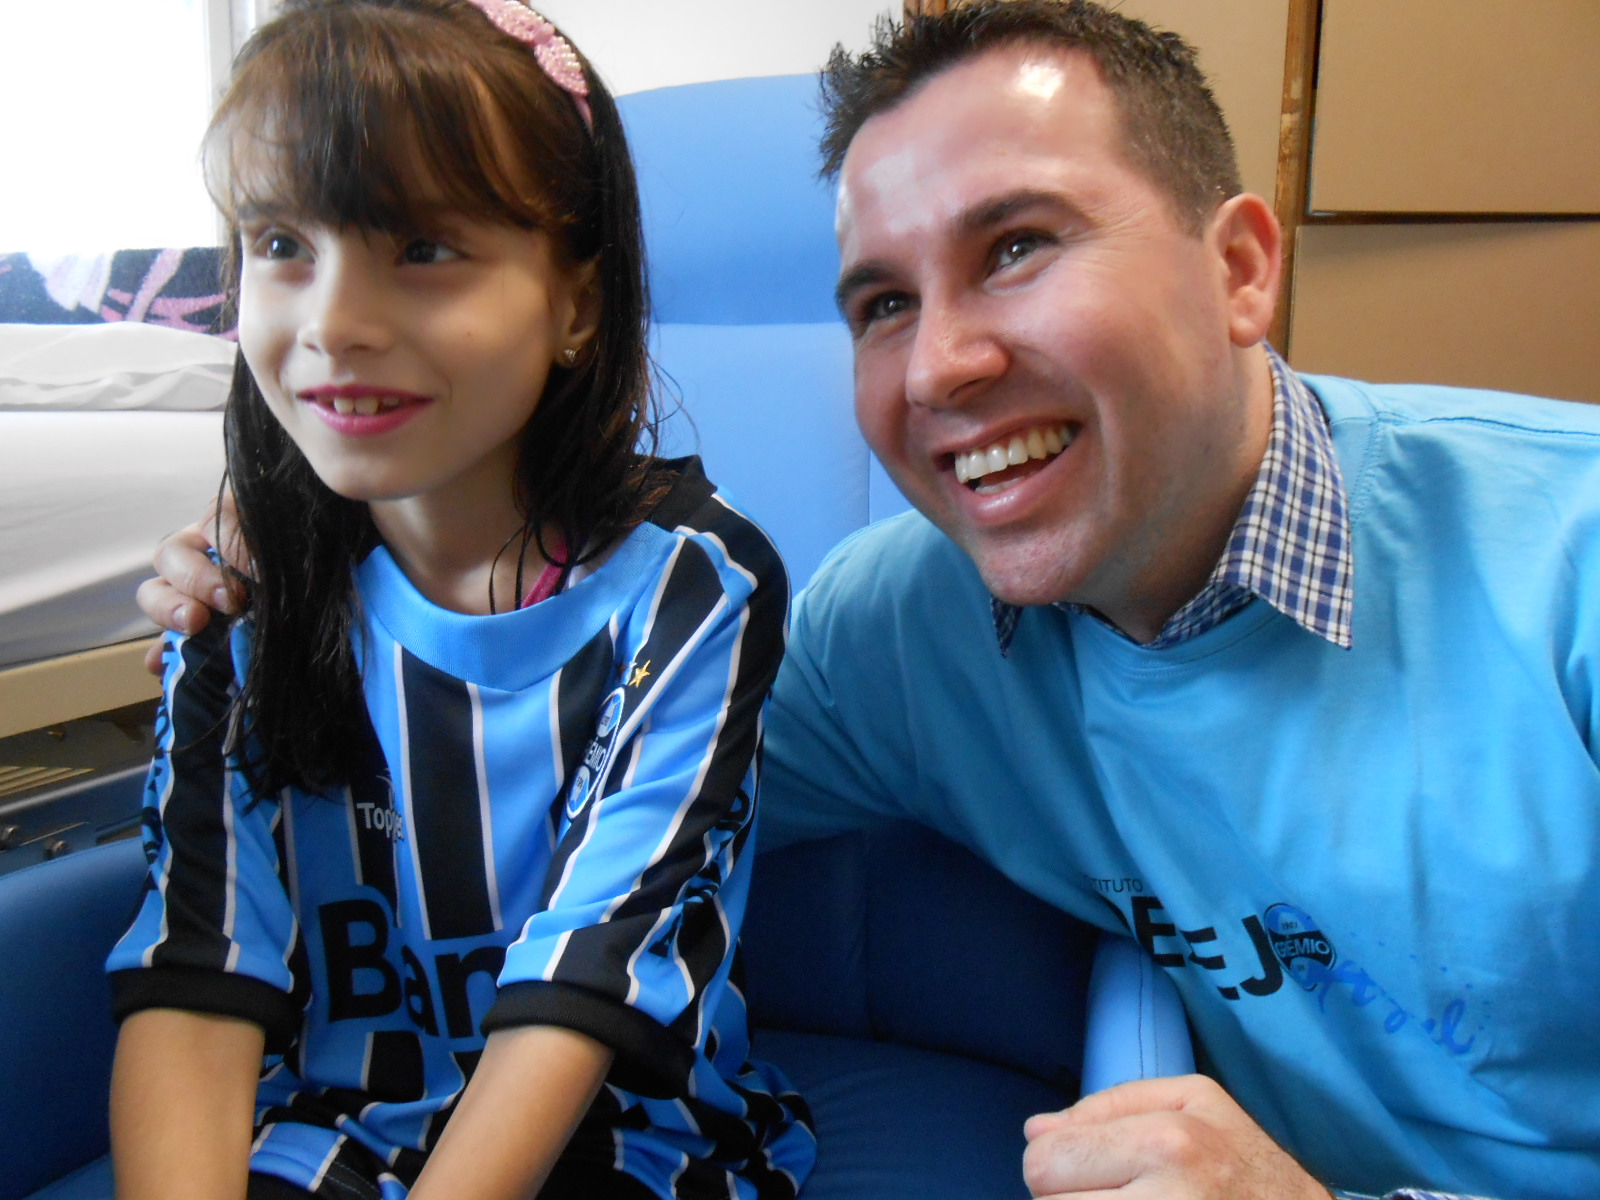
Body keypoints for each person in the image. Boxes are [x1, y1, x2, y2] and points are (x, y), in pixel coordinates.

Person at [139, 2, 1600, 1199]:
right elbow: (590, 794)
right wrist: (293, 543)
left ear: (1238, 267)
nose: (945, 367)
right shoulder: (894, 630)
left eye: (1018, 247)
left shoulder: (1568, 570)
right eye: (883, 305)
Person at [106, 3, 814, 1199]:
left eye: (425, 249)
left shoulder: (695, 585)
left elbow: (586, 981)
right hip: (331, 1132)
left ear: (576, 305)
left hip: (619, 1138)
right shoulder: (236, 598)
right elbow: (198, 977)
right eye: (281, 243)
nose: (332, 323)